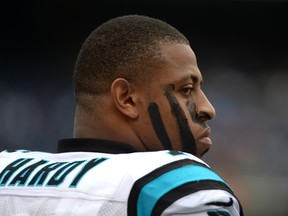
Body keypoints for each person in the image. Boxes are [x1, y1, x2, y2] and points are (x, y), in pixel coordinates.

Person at [0, 14, 244, 215]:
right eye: (186, 90)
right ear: (127, 98)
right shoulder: (172, 187)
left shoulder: (6, 170)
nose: (208, 109)